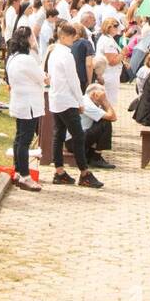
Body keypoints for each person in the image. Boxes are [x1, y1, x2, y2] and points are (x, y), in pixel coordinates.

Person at [45, 21, 103, 188]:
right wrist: (80, 101)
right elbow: (73, 80)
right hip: (67, 99)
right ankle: (84, 173)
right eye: (71, 37)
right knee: (78, 136)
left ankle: (59, 171)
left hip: (56, 98)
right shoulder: (66, 55)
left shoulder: (54, 52)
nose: (73, 40)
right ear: (63, 36)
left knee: (59, 135)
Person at [5, 27, 44, 192]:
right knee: (24, 140)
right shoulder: (26, 59)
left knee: (19, 138)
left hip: (20, 100)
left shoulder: (12, 57)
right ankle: (25, 176)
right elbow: (41, 77)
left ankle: (18, 171)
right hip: (28, 103)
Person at [78, 83, 118, 169]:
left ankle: (92, 155)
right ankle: (96, 157)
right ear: (94, 94)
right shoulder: (87, 103)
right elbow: (112, 117)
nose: (103, 97)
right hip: (74, 142)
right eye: (102, 95)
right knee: (105, 123)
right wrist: (104, 101)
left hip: (79, 137)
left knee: (102, 121)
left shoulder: (87, 101)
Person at [96, 16, 123, 114]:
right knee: (108, 103)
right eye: (115, 25)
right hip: (109, 75)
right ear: (108, 27)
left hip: (110, 74)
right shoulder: (107, 41)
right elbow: (112, 61)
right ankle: (105, 125)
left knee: (107, 102)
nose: (117, 28)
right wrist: (123, 53)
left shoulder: (108, 39)